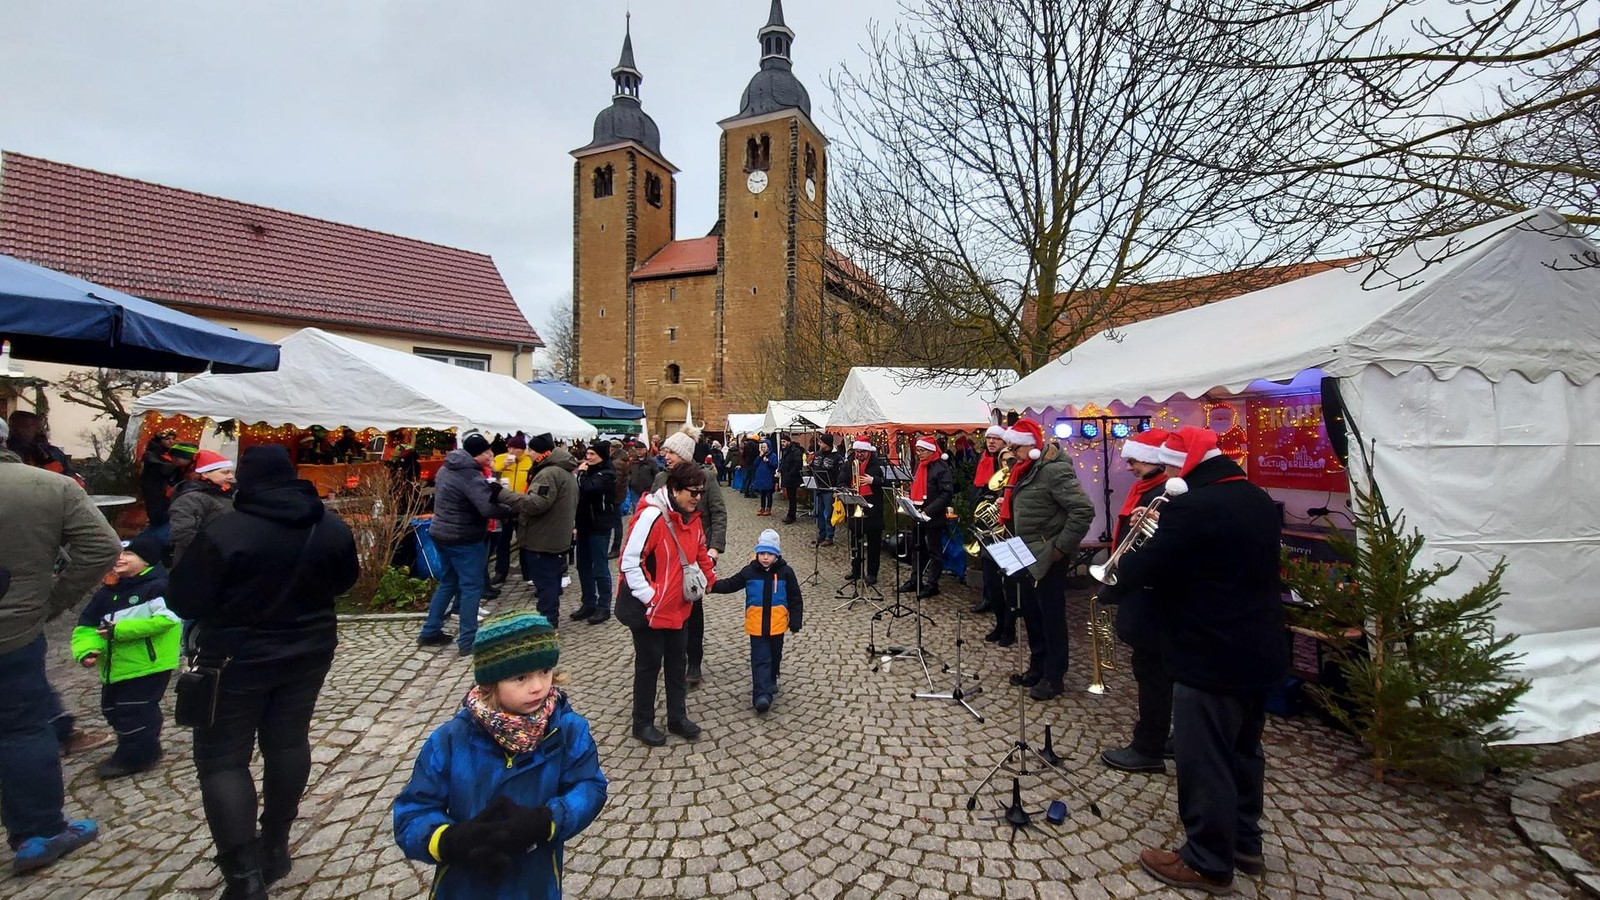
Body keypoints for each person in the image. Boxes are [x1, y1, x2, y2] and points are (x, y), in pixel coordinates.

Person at [167, 445, 360, 895]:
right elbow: (345, 580)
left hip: (236, 658)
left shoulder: (226, 530)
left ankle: (244, 876)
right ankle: (275, 845)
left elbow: (184, 600)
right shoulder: (328, 524)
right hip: (311, 648)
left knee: (222, 761)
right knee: (288, 741)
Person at [1117, 426, 1288, 894]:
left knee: (1205, 756)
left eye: (1172, 467)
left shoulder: (1190, 506)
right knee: (1245, 750)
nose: (1169, 475)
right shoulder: (1255, 496)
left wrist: (1134, 553)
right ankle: (1245, 842)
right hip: (1259, 648)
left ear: (1189, 462)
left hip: (1209, 651)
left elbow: (1139, 570)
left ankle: (1208, 860)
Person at [393, 611, 607, 900]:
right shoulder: (451, 739)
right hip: (464, 885)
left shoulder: (567, 730)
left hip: (535, 884)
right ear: (490, 682)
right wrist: (449, 841)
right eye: (520, 677)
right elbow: (412, 813)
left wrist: (547, 820)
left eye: (545, 671)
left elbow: (590, 786)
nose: (538, 686)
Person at [0, 417, 120, 874]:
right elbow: (100, 545)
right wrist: (52, 603)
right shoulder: (47, 486)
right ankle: (39, 833)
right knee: (20, 731)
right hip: (12, 631)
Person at [616, 462, 716, 746]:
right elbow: (629, 562)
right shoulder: (651, 516)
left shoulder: (692, 518)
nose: (697, 497)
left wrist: (710, 579)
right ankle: (642, 722)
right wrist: (651, 596)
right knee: (648, 666)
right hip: (650, 610)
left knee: (677, 663)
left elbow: (699, 552)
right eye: (692, 492)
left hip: (678, 606)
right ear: (674, 489)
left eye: (701, 492)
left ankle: (677, 717)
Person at [1096, 429, 1175, 774]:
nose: (1129, 466)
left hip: (1152, 597)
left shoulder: (1163, 494)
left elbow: (1154, 549)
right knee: (1155, 673)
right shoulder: (1145, 488)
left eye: (1135, 460)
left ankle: (1149, 747)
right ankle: (1163, 736)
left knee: (1154, 673)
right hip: (1140, 591)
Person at [70, 533, 180, 780]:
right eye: (116, 554)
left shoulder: (158, 586)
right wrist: (85, 650)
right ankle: (140, 744)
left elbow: (167, 620)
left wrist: (118, 631)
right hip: (115, 666)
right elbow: (86, 626)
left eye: (127, 554)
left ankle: (138, 754)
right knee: (111, 709)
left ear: (147, 561)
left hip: (148, 663)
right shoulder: (107, 593)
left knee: (135, 709)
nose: (119, 559)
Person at [998, 419, 1095, 700]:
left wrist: (1059, 550)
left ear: (1031, 446)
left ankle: (1054, 676)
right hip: (1028, 553)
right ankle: (1037, 666)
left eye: (1015, 447)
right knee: (1032, 613)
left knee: (1051, 616)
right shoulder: (1025, 469)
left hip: (1048, 556)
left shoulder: (1053, 471)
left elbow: (1083, 511)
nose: (1011, 452)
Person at [418, 433, 516, 654]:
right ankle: (468, 641)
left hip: (441, 532)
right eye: (487, 451)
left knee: (448, 582)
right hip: (463, 537)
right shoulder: (470, 476)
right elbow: (487, 508)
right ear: (475, 455)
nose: (491, 454)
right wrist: (512, 509)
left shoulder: (447, 467)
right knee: (472, 587)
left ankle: (430, 630)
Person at [653, 425, 728, 686]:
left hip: (694, 557)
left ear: (684, 454)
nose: (666, 455)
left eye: (671, 451)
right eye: (665, 450)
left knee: (693, 612)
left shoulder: (706, 478)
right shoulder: (661, 480)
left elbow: (718, 513)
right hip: (666, 556)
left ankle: (694, 661)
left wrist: (714, 548)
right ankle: (673, 656)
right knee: (666, 606)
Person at [708, 529, 802, 714]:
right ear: (757, 553)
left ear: (777, 555)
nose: (765, 557)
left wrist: (795, 620)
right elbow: (731, 584)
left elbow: (795, 598)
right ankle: (761, 695)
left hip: (777, 626)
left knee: (775, 657)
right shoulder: (750, 571)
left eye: (769, 554)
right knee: (760, 659)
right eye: (762, 553)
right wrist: (712, 586)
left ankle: (772, 678)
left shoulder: (786, 573)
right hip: (756, 626)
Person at [500, 434, 579, 623]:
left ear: (539, 452)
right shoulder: (562, 470)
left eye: (531, 450)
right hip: (554, 535)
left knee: (546, 584)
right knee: (550, 582)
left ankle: (548, 623)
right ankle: (550, 618)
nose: (528, 453)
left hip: (544, 537)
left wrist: (503, 494)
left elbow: (536, 504)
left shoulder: (549, 473)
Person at [569, 442, 617, 625]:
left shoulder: (606, 474)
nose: (588, 457)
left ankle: (603, 606)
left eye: (592, 454)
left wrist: (580, 473)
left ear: (601, 456)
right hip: (583, 526)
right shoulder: (590, 472)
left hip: (599, 526)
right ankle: (588, 602)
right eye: (587, 453)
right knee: (583, 566)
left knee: (600, 567)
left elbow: (587, 488)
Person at [902, 436, 954, 597]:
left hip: (933, 516)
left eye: (922, 450)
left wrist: (929, 510)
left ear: (931, 450)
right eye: (918, 450)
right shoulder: (920, 466)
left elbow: (946, 494)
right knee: (917, 548)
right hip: (919, 513)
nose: (919, 453)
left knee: (934, 551)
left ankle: (933, 584)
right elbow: (918, 485)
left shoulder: (941, 468)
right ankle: (915, 580)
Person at [167, 450, 236, 565]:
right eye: (225, 472)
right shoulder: (190, 499)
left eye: (230, 472)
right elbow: (182, 533)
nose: (231, 477)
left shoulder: (226, 493)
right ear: (204, 474)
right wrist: (215, 550)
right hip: (198, 562)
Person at [972, 425, 1010, 623]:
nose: (992, 442)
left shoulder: (1005, 464)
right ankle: (989, 598)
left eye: (996, 439)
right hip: (986, 519)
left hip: (1001, 522)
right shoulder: (984, 461)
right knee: (987, 562)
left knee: (998, 564)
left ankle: (1002, 603)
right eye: (989, 439)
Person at [490, 434, 535, 586]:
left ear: (522, 450)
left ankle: (528, 573)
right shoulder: (501, 458)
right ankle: (500, 573)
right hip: (504, 505)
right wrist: (503, 467)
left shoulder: (529, 461)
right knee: (503, 541)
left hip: (522, 505)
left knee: (524, 541)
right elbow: (492, 474)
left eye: (515, 448)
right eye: (509, 447)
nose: (511, 450)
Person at [6, 410, 83, 485]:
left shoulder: (53, 453)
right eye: (19, 426)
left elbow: (73, 481)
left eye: (27, 426)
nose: (20, 430)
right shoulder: (6, 452)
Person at [846, 440, 885, 586]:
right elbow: (842, 479)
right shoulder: (850, 462)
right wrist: (845, 488)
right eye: (857, 451)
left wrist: (873, 480)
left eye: (862, 452)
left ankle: (872, 573)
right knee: (855, 541)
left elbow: (888, 481)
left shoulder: (878, 463)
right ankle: (856, 570)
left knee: (874, 542)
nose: (859, 454)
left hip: (873, 508)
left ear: (868, 452)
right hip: (855, 506)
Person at [810, 434, 846, 547]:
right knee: (819, 513)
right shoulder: (818, 454)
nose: (819, 444)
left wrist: (837, 489)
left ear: (828, 444)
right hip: (818, 487)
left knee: (828, 514)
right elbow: (814, 468)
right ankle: (821, 535)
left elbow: (840, 474)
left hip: (830, 489)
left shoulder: (836, 457)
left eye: (822, 442)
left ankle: (829, 536)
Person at [778, 435, 805, 524]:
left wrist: (790, 474)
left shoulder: (795, 451)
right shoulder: (786, 451)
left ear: (789, 442)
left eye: (784, 441)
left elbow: (797, 465)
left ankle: (791, 516)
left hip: (793, 478)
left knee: (792, 497)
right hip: (787, 477)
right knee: (790, 497)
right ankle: (790, 515)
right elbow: (784, 462)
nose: (782, 443)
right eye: (781, 441)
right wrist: (780, 470)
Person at [752, 439, 778, 515]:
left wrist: (768, 462)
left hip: (768, 477)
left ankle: (768, 508)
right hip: (761, 477)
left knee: (768, 493)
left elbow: (775, 465)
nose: (763, 449)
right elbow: (755, 464)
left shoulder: (773, 456)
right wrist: (759, 457)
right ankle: (762, 508)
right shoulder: (760, 456)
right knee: (762, 493)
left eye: (764, 447)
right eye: (762, 447)